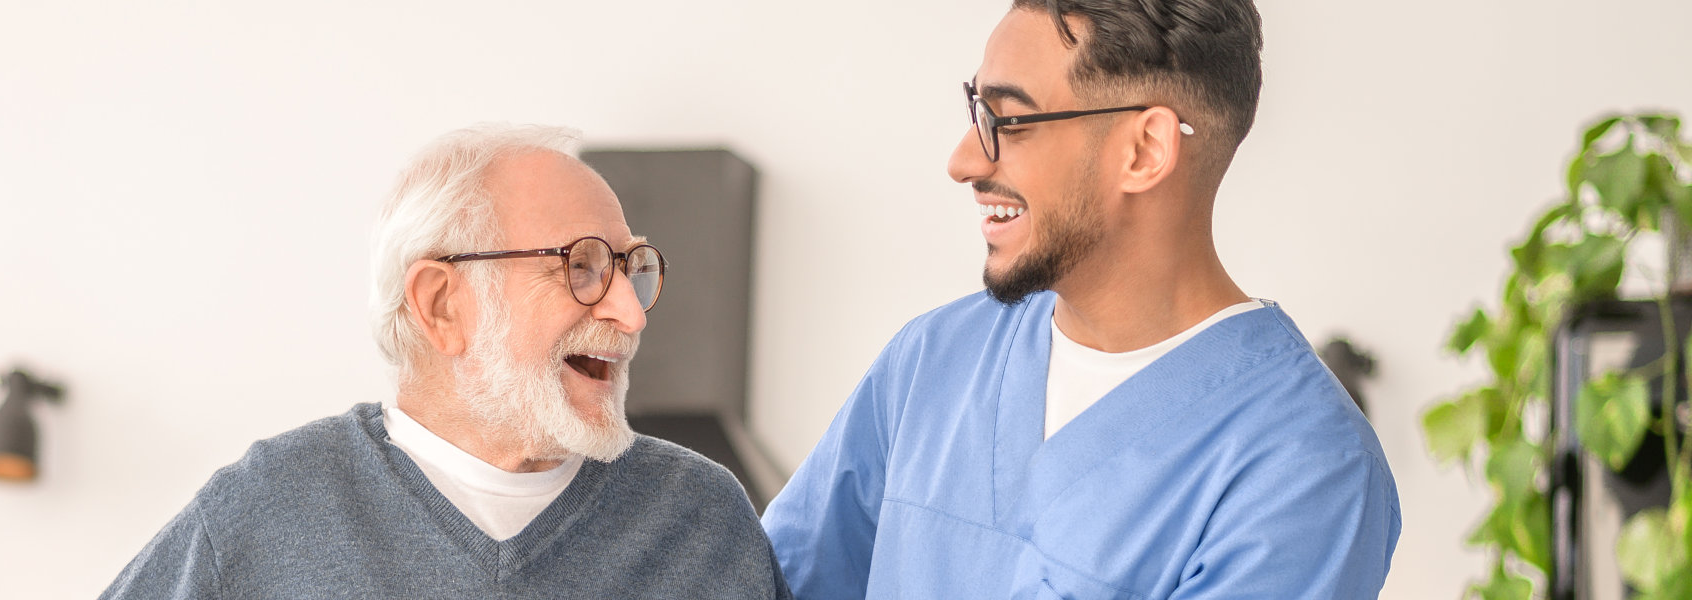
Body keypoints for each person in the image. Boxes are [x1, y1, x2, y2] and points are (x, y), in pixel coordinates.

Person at [762, 1, 1400, 598]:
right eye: (976, 113)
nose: (963, 161)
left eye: (1008, 120)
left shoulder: (1305, 471)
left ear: (1144, 151)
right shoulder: (931, 361)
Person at [101, 124, 790, 599]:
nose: (631, 314)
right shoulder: (267, 510)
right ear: (441, 305)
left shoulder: (702, 519)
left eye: (630, 270)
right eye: (581, 267)